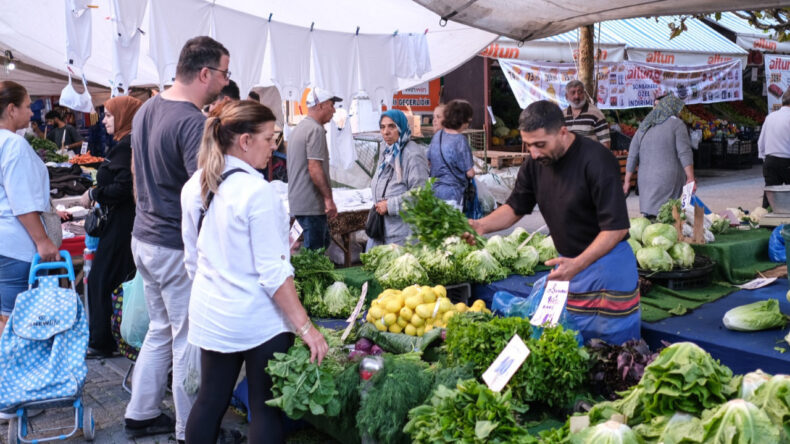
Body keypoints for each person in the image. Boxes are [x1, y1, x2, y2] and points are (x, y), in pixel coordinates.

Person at [181, 100, 328, 444]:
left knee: (210, 400)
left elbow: (195, 258)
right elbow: (273, 275)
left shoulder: (195, 185)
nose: (273, 148)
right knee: (266, 409)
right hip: (257, 318)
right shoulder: (257, 192)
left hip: (213, 314)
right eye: (270, 138)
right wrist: (307, 329)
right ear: (245, 141)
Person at [125, 36, 229, 442]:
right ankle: (190, 430)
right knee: (188, 338)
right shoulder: (191, 122)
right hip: (172, 244)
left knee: (159, 328)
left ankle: (141, 413)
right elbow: (200, 197)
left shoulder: (148, 107)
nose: (225, 81)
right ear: (204, 73)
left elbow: (137, 174)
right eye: (223, 72)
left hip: (145, 237)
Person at [465, 100, 639, 345]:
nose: (534, 153)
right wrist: (481, 225)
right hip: (568, 268)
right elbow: (515, 207)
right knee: (567, 346)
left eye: (540, 145)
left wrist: (577, 264)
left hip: (606, 269)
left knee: (611, 351)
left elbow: (617, 228)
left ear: (563, 132)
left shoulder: (597, 160)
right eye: (529, 145)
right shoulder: (535, 164)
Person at [79, 96, 142, 359]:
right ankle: (114, 337)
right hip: (123, 223)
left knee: (102, 279)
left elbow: (124, 187)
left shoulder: (126, 146)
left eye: (108, 115)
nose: (103, 120)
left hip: (122, 224)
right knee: (116, 279)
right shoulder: (126, 144)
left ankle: (103, 341)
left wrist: (94, 194)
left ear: (124, 116)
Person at [0, 81, 60, 338]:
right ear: (11, 109)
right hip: (15, 246)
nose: (32, 112)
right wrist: (43, 241)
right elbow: (21, 201)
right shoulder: (14, 145)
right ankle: (12, 373)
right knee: (14, 321)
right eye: (27, 106)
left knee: (5, 317)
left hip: (5, 244)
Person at [623, 94, 695, 218]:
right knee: (667, 217)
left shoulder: (644, 126)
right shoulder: (677, 124)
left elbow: (632, 155)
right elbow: (684, 152)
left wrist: (627, 181)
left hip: (645, 181)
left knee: (650, 219)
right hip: (667, 180)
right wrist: (690, 177)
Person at [286, 87, 340, 250]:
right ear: (321, 105)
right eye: (331, 105)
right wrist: (328, 199)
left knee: (318, 247)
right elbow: (314, 168)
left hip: (300, 202)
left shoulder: (299, 128)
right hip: (311, 205)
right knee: (315, 256)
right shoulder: (315, 130)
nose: (334, 110)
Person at [368, 109, 430, 247]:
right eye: (382, 127)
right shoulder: (387, 150)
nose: (386, 132)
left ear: (401, 127)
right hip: (382, 230)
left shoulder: (412, 154)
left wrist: (390, 205)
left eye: (392, 126)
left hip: (402, 235)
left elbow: (421, 195)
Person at [427, 99, 475, 207]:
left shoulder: (437, 136)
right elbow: (470, 173)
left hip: (433, 193)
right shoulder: (460, 140)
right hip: (453, 195)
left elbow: (428, 162)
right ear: (464, 120)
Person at [758, 88, 790, 208]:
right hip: (787, 160)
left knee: (769, 197)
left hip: (770, 160)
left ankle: (765, 223)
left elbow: (761, 142)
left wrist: (764, 158)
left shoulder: (770, 117)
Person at [563, 80, 610, 149]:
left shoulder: (596, 114)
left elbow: (605, 143)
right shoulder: (562, 116)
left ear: (584, 94)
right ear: (566, 96)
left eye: (580, 92)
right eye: (573, 93)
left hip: (590, 159)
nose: (577, 96)